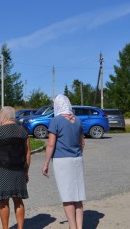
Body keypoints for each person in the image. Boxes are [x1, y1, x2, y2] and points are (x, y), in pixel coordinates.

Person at [42, 94, 86, 229]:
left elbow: (51, 144)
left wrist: (46, 163)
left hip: (62, 161)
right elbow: (82, 143)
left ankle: (72, 227)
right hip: (77, 160)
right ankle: (79, 227)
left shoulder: (56, 121)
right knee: (78, 197)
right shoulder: (78, 120)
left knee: (67, 198)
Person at [0, 107, 31, 229]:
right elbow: (27, 153)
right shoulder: (23, 131)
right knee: (18, 200)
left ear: (3, 116)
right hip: (19, 170)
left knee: (4, 201)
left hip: (2, 170)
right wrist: (26, 170)